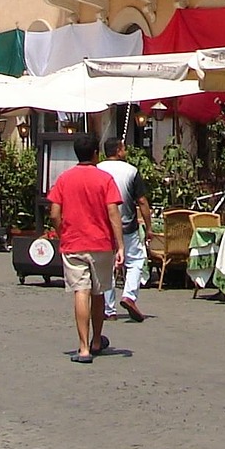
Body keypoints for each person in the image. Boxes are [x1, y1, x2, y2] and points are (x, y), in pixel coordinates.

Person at [45, 133, 123, 365]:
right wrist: (120, 245)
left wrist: (62, 233)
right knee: (98, 292)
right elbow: (113, 213)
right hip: (100, 242)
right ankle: (97, 339)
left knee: (81, 291)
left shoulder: (64, 179)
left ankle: (83, 347)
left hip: (74, 243)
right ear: (95, 154)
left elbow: (54, 214)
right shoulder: (105, 179)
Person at [96, 136, 151, 323]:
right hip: (127, 225)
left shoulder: (97, 170)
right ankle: (129, 295)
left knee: (107, 267)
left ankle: (109, 309)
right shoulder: (131, 171)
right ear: (119, 150)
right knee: (136, 261)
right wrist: (149, 226)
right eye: (124, 148)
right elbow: (141, 201)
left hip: (103, 227)